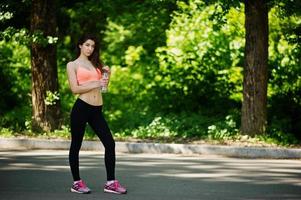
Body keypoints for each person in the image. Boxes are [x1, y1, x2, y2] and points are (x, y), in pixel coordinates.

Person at [66, 34, 127, 194]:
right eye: (87, 45)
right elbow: (74, 89)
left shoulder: (97, 65)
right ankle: (77, 183)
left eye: (92, 46)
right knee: (76, 145)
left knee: (110, 143)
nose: (90, 48)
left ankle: (111, 183)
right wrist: (95, 83)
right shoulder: (72, 65)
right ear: (80, 45)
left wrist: (107, 76)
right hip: (81, 108)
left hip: (96, 110)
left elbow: (103, 88)